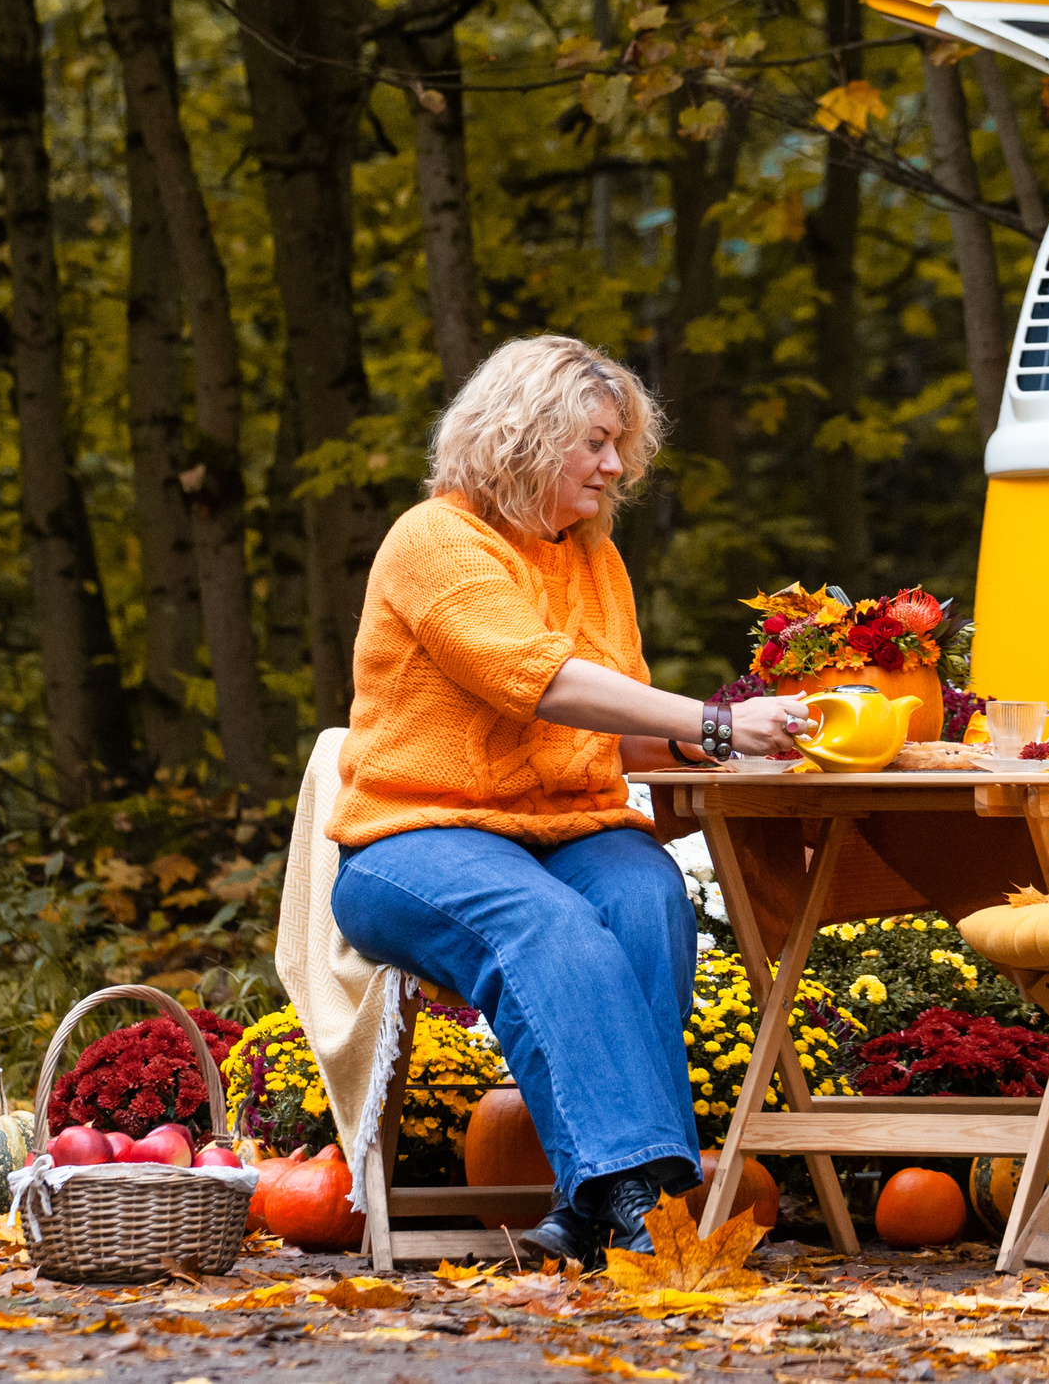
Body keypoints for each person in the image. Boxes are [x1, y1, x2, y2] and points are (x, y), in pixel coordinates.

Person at [326, 335, 809, 1264]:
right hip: (412, 839)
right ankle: (651, 1202)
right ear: (525, 434)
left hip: (565, 825)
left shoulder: (597, 560)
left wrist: (761, 743)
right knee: (548, 924)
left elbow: (622, 730)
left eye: (619, 443)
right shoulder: (436, 540)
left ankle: (591, 1208)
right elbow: (538, 680)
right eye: (594, 441)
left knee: (645, 895)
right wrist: (717, 722)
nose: (616, 464)